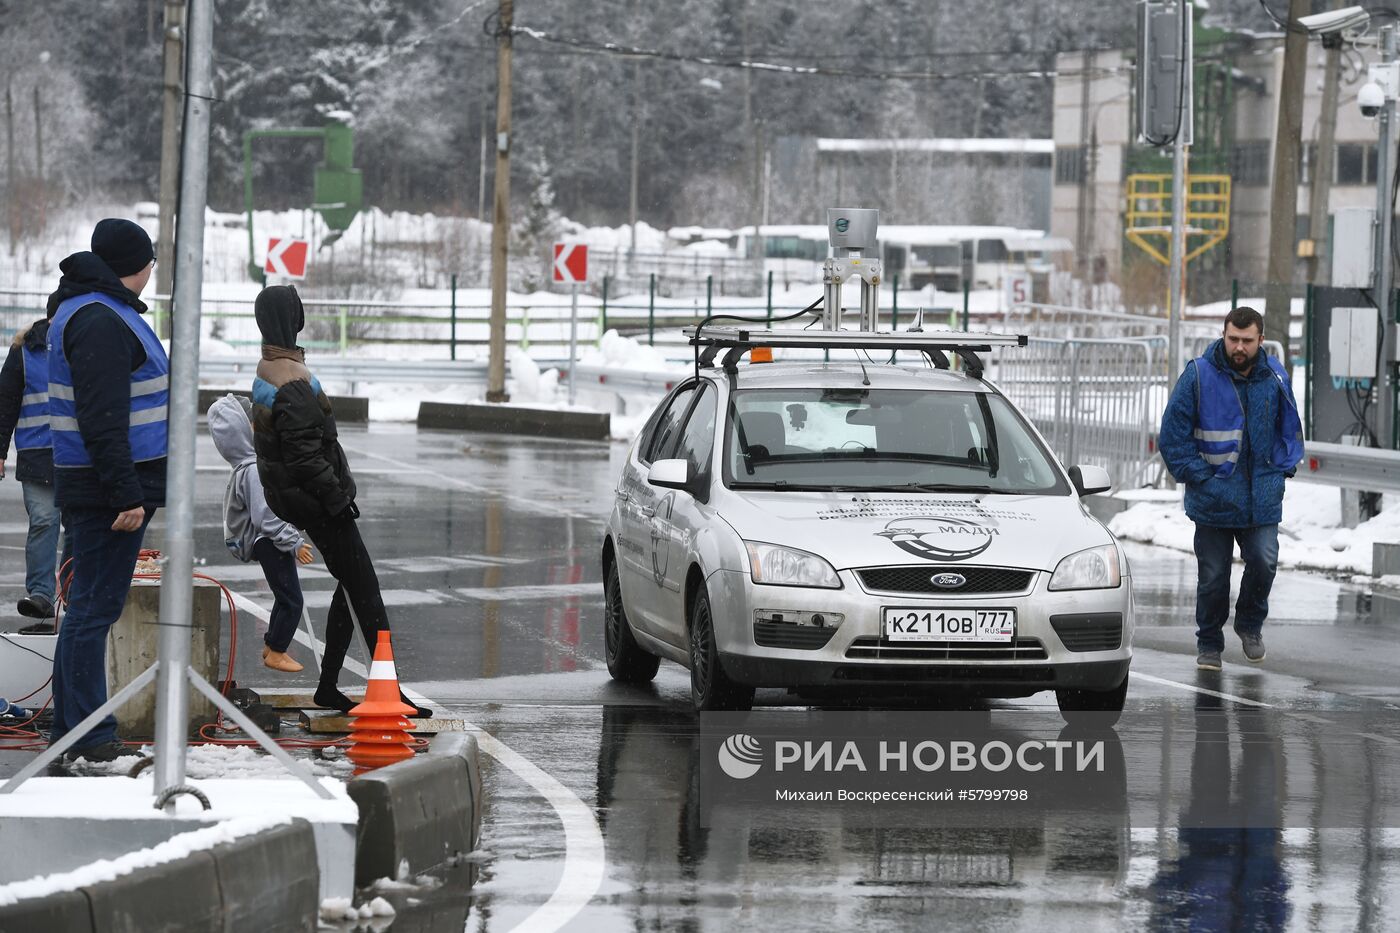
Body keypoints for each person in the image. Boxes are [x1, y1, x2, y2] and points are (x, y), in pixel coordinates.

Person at [249, 285, 430, 717]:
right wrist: (337, 499)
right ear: (291, 320)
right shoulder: (290, 379)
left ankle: (329, 686)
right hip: (316, 502)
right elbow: (306, 455)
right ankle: (389, 691)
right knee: (367, 591)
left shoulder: (274, 365)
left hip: (301, 499)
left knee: (350, 586)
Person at [45, 218, 167, 762]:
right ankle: (91, 739)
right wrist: (125, 493)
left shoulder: (95, 310)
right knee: (93, 611)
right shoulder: (99, 319)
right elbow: (101, 418)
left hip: (101, 485)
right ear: (135, 267)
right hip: (107, 490)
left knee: (86, 611)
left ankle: (72, 733)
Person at [1158, 306, 1303, 672]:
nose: (1239, 347)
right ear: (1223, 335)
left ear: (1261, 340)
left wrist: (1283, 469)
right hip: (1214, 499)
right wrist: (1203, 480)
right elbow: (1172, 438)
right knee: (1212, 577)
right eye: (1233, 339)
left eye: (1247, 341)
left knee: (1264, 562)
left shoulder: (1275, 378)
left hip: (1261, 499)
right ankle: (1209, 643)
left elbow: (1290, 430)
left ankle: (1249, 625)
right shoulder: (1198, 376)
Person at [208, 394, 313, 673]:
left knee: (283, 596)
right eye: (253, 425)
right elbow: (265, 516)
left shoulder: (245, 466)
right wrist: (293, 542)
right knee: (292, 600)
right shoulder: (254, 469)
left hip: (266, 540)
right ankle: (277, 651)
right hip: (269, 541)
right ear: (242, 432)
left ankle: (271, 646)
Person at [0, 312, 74, 632]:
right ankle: (42, 595)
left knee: (79, 526)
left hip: (78, 455)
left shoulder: (86, 344)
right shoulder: (25, 351)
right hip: (38, 453)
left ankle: (74, 593)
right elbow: (5, 402)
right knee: (45, 520)